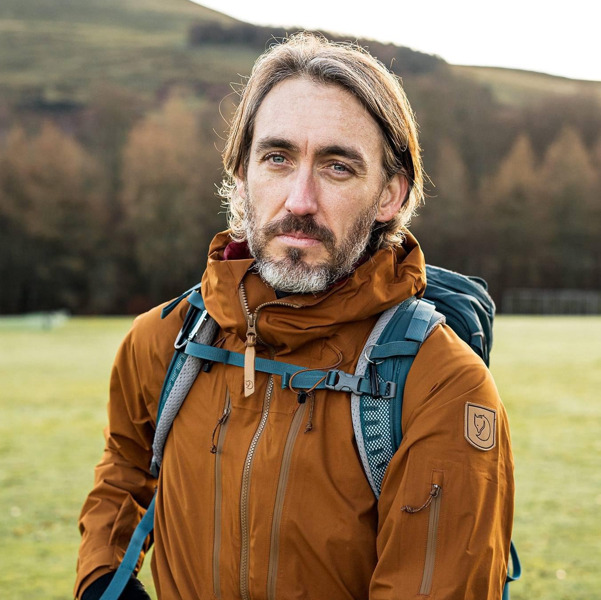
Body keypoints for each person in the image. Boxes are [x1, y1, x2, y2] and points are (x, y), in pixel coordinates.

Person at [75, 32, 514, 600]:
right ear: (242, 177)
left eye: (338, 167)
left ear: (389, 195)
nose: (300, 200)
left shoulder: (442, 385)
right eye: (277, 158)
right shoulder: (164, 341)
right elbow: (125, 466)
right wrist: (103, 578)